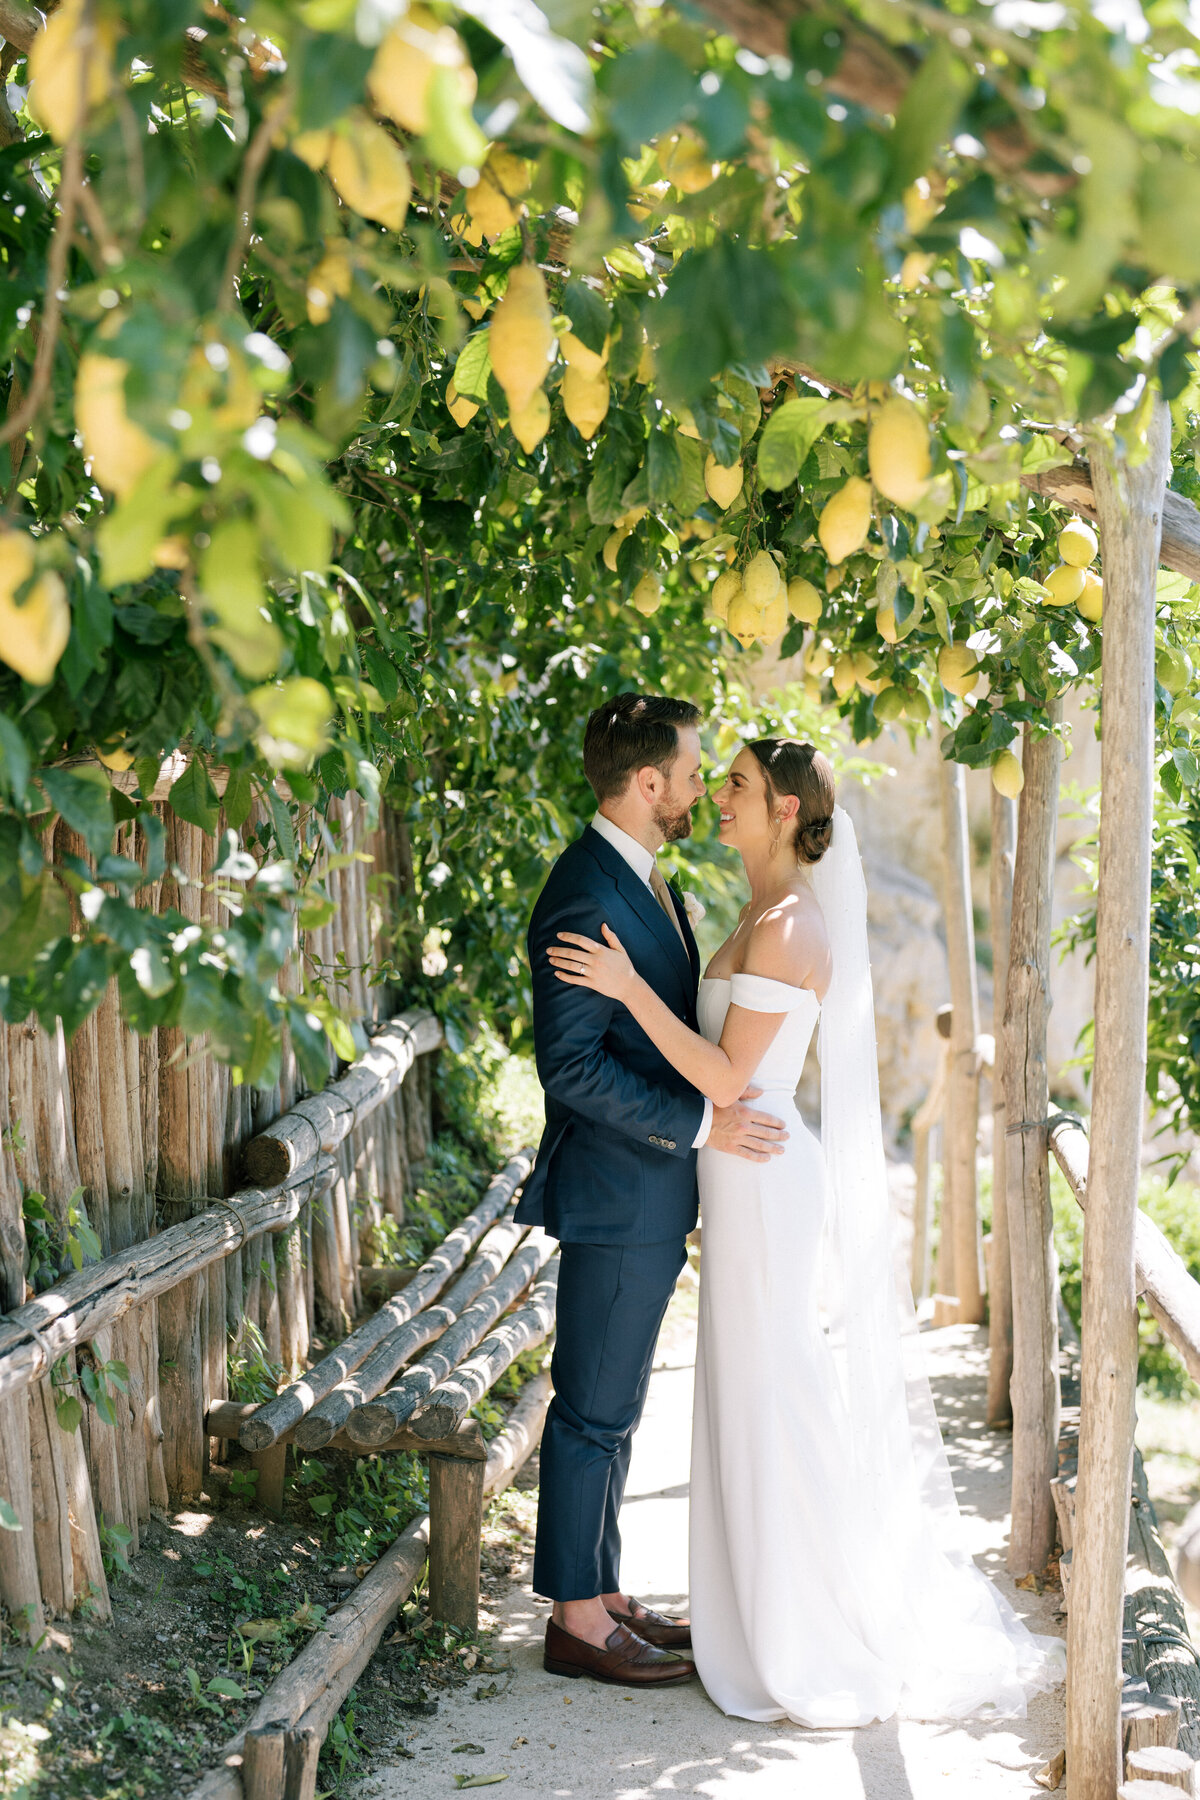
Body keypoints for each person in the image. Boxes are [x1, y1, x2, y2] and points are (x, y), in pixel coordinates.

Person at [549, 736, 1066, 1725]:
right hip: (738, 1173)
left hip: (763, 1167)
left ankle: (807, 1626)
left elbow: (730, 1078)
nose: (721, 797)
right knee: (744, 1391)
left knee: (778, 1389)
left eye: (737, 784)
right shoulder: (755, 911)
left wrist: (625, 994)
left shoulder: (789, 926)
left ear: (786, 809)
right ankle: (750, 1614)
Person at [517, 694, 791, 1689]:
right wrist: (702, 1125)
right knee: (591, 1405)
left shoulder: (639, 876)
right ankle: (577, 1622)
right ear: (647, 784)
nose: (695, 787)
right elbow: (572, 1068)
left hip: (645, 1192)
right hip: (617, 1189)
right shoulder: (584, 893)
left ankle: (606, 1590)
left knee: (617, 1402)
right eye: (689, 771)